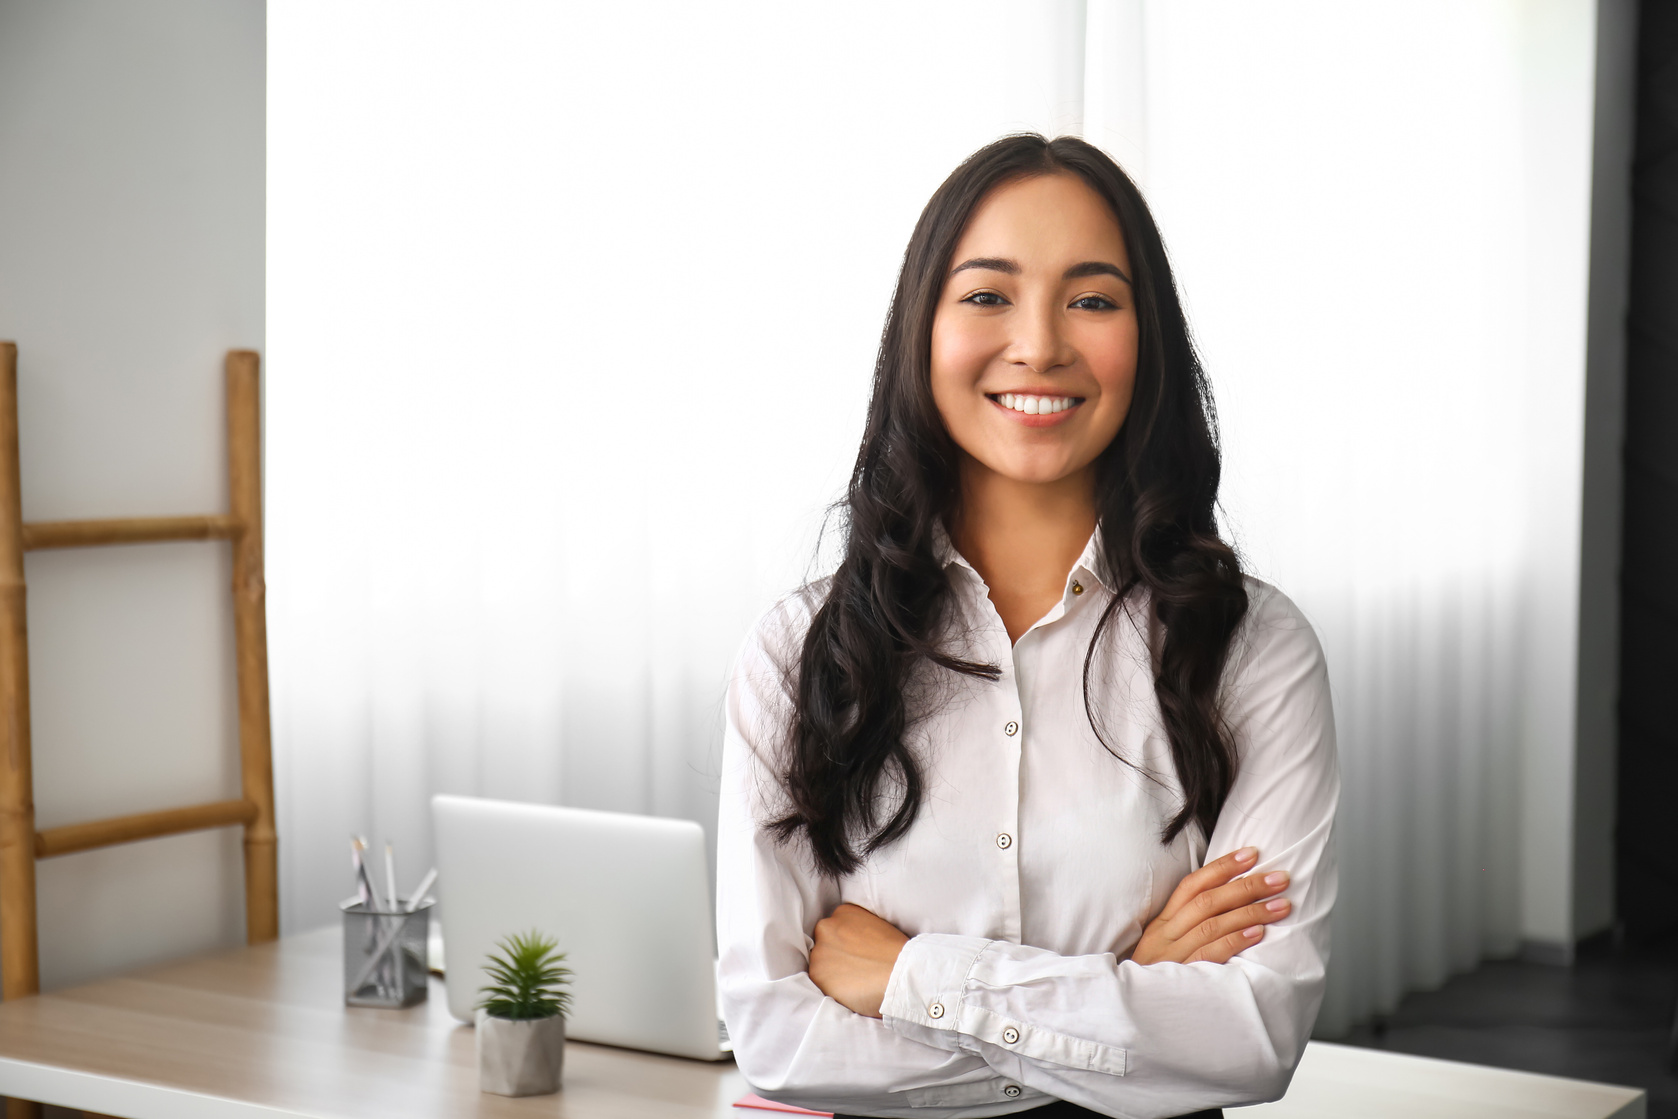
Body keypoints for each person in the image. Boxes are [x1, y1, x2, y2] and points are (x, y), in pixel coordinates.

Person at [715, 134, 1338, 1119]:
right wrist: (1124, 987)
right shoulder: (799, 653)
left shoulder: (1252, 649)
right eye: (987, 295)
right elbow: (777, 1038)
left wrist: (913, 980)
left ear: (1150, 342)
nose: (1039, 344)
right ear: (921, 330)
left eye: (1091, 300)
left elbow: (1250, 1039)